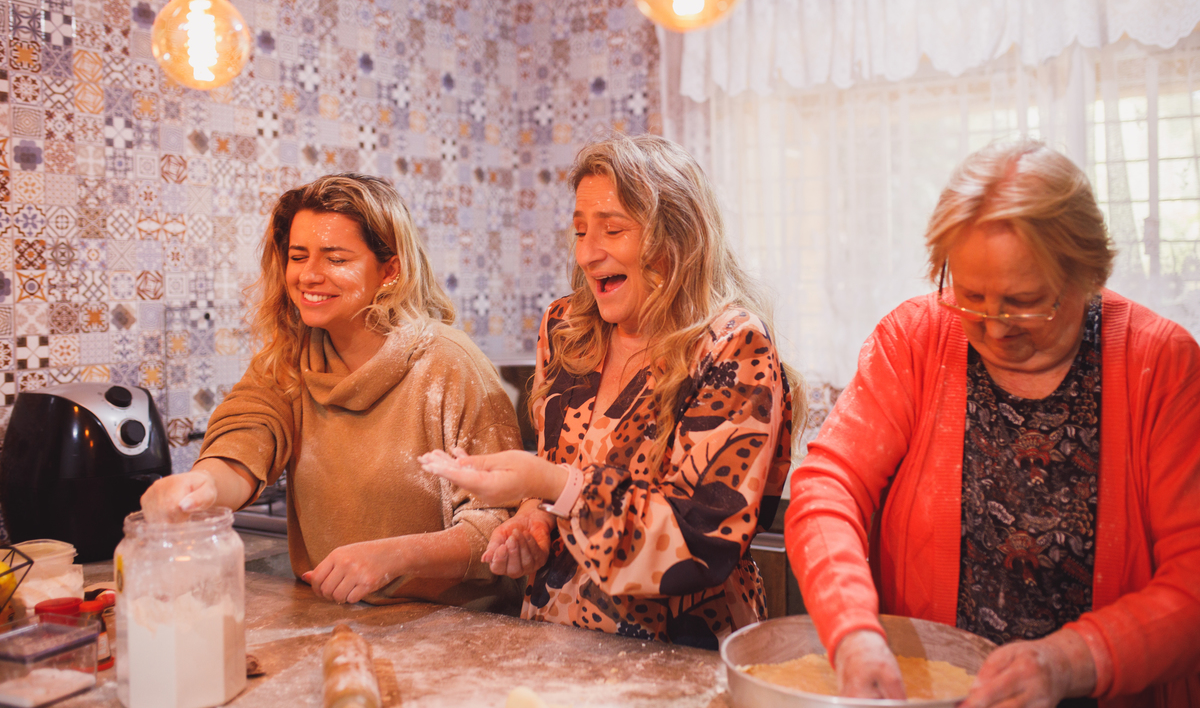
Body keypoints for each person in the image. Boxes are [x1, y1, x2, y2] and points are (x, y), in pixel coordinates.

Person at [785, 139, 1200, 707]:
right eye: (972, 296)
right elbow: (827, 488)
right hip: (929, 692)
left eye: (1024, 301)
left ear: (1085, 273)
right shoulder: (915, 340)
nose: (994, 328)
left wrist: (1070, 660)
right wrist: (854, 633)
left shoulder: (1162, 365)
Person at [420, 135, 801, 649]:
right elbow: (560, 472)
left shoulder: (732, 348)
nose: (587, 253)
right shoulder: (567, 330)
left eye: (613, 230)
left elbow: (698, 546)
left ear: (678, 237)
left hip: (677, 654)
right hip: (555, 641)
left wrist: (552, 484)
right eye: (580, 231)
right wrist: (534, 521)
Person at [141, 173, 523, 607]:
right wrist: (201, 486)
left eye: (335, 259)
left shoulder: (450, 365)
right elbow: (246, 434)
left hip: (458, 629)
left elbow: (503, 527)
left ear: (389, 270)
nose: (308, 275)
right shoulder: (288, 359)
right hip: (341, 617)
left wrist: (396, 556)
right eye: (298, 256)